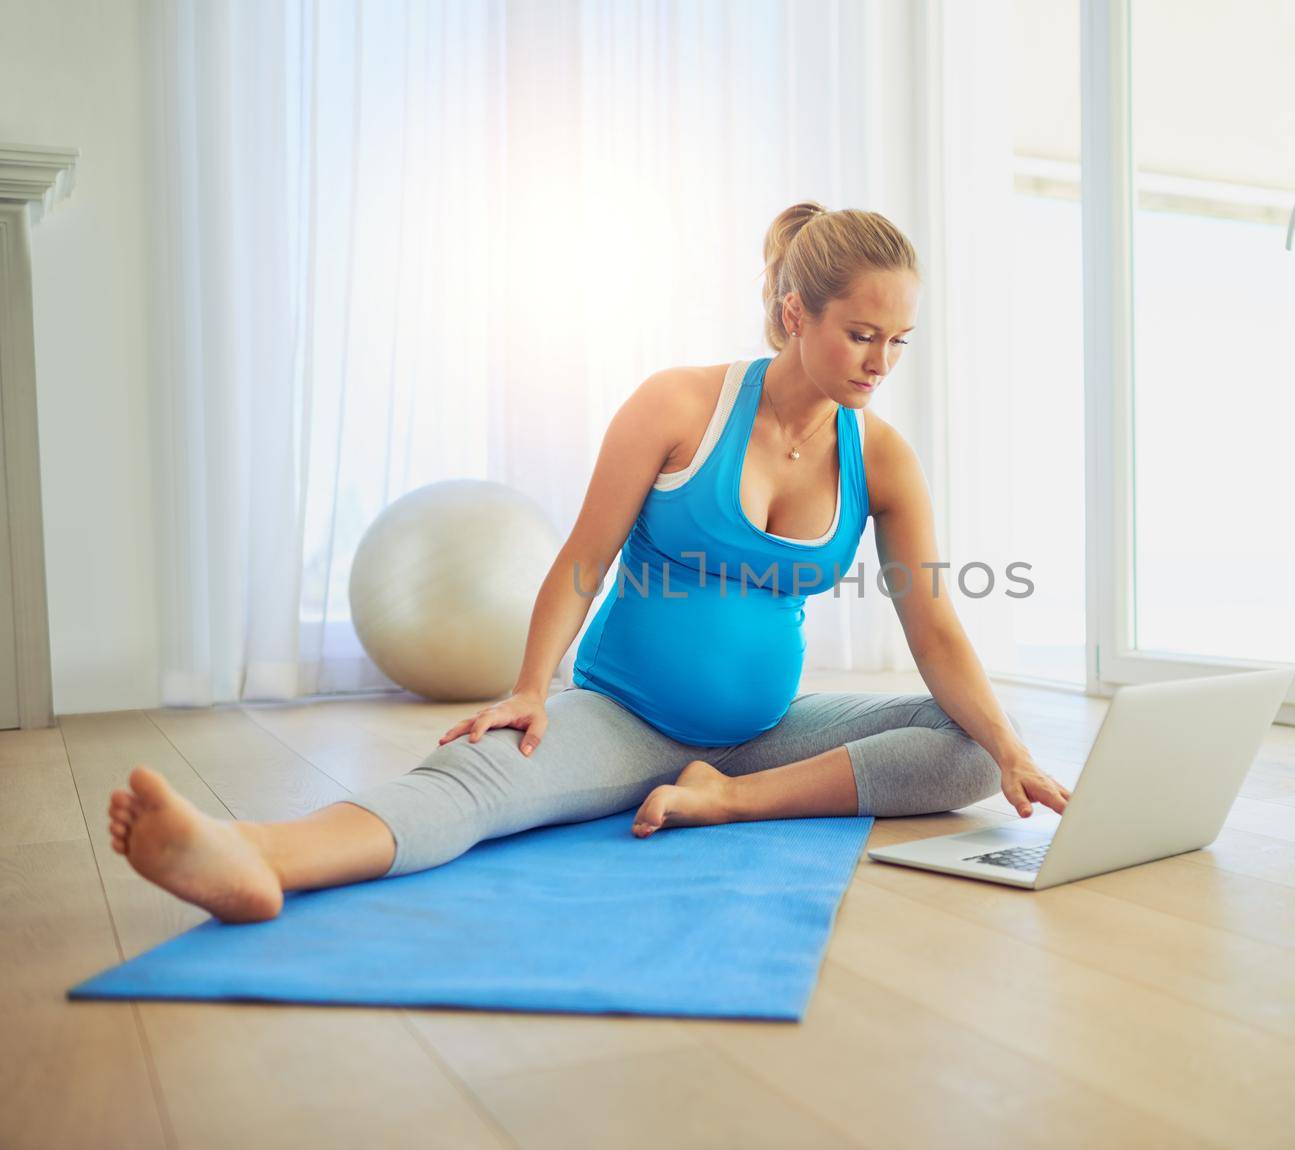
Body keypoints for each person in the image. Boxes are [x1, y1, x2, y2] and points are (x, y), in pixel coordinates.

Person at [106, 202, 1072, 924]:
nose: (878, 361)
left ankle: (726, 801)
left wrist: (1015, 754)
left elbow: (933, 624)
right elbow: (581, 559)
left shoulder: (882, 456)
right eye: (860, 334)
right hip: (622, 718)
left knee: (975, 741)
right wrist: (531, 685)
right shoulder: (679, 406)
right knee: (475, 781)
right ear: (793, 315)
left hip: (766, 736)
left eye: (897, 342)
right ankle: (250, 854)